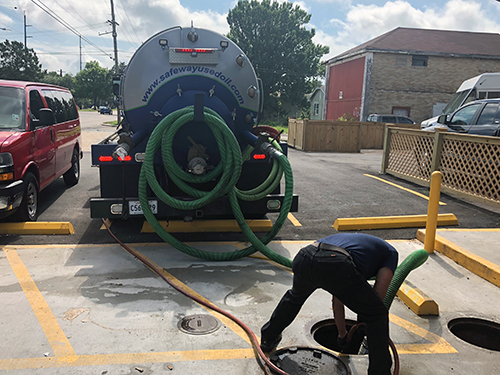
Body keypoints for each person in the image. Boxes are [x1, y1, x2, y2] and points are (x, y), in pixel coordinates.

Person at [260, 233, 398, 375]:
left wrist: (342, 335)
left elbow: (337, 298)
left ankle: (268, 338)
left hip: (305, 256)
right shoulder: (391, 254)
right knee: (377, 314)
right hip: (335, 262)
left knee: (295, 297)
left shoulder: (358, 245)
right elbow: (378, 297)